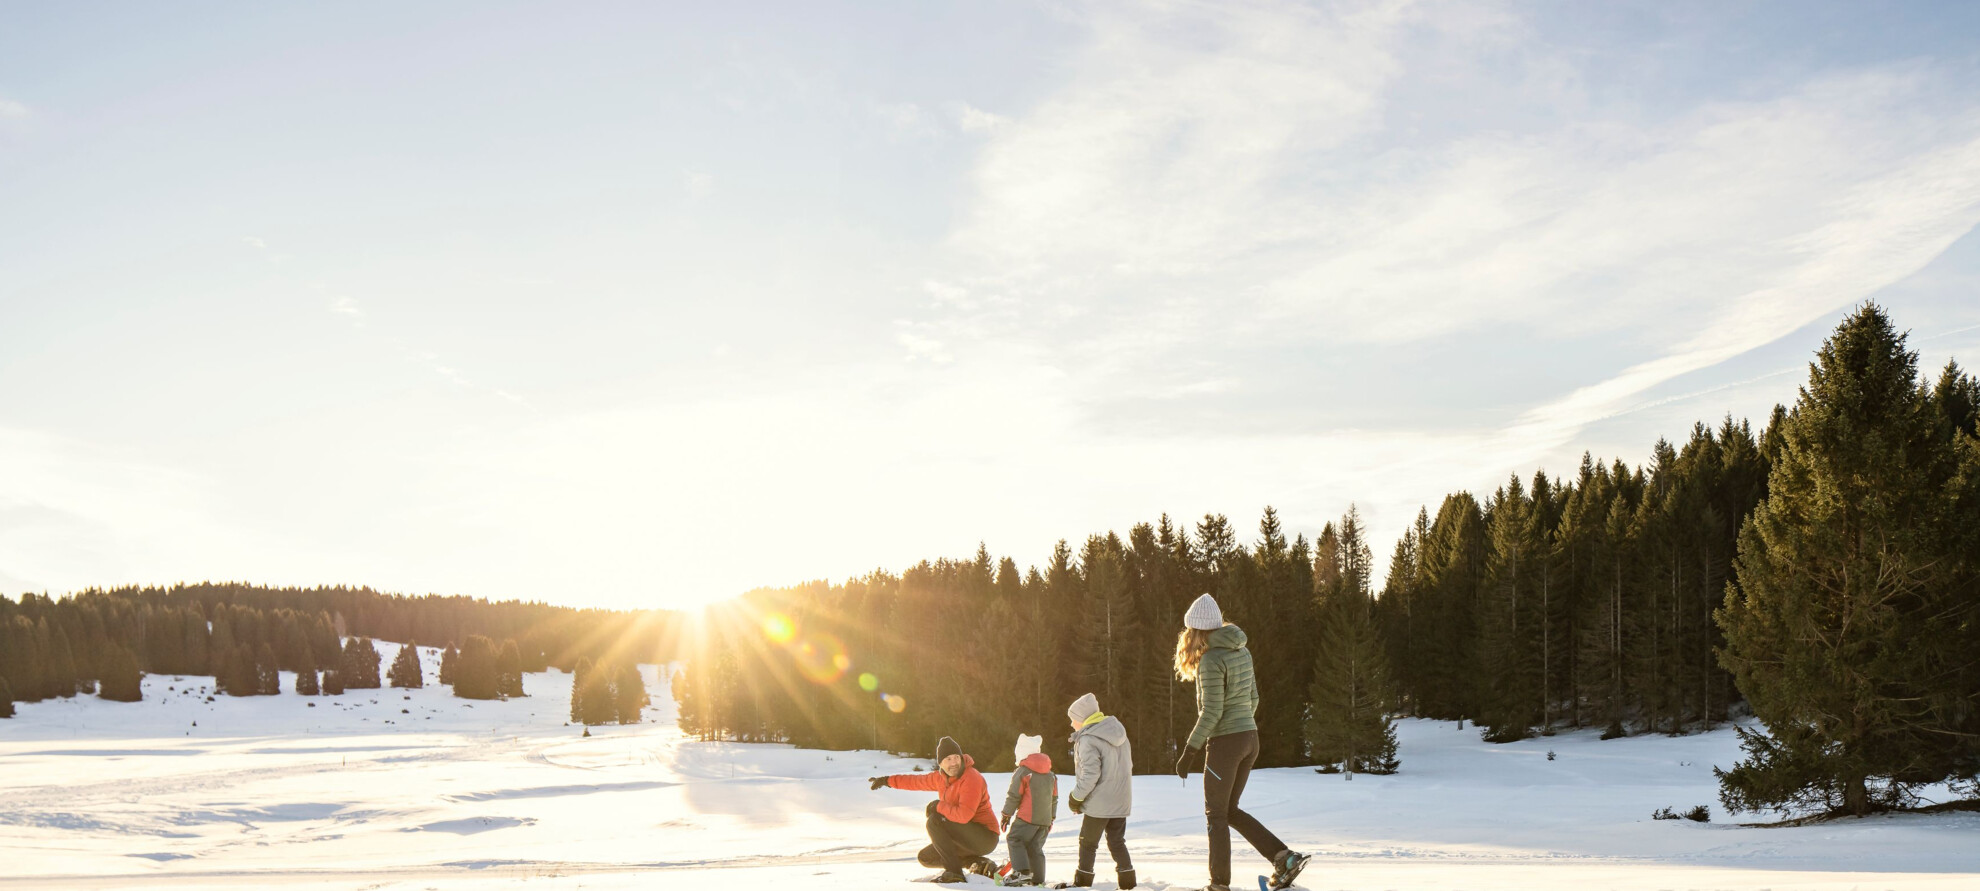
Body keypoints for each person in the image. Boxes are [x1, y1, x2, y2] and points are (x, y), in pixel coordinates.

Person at [1174, 593, 1311, 891]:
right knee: (1230, 810)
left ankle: (1218, 885)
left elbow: (1212, 712)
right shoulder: (1241, 652)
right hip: (1250, 739)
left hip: (1225, 744)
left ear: (1196, 631)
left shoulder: (1211, 659)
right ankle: (1283, 857)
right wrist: (1241, 727)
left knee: (1216, 815)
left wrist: (1189, 751)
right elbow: (1254, 698)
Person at [870, 735, 1001, 884]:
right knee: (926, 858)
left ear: (961, 758)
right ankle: (977, 863)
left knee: (935, 821)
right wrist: (887, 780)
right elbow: (915, 782)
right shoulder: (941, 778)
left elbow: (964, 815)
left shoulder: (971, 778)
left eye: (956, 758)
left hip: (984, 836)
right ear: (941, 763)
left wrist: (938, 806)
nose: (953, 763)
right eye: (948, 759)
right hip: (964, 836)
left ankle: (954, 873)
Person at [1066, 693, 1135, 889]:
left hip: (1100, 803)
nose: (1072, 724)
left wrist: (1075, 798)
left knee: (1087, 843)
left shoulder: (1089, 739)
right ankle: (1129, 884)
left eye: (1073, 720)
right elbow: (1128, 765)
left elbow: (1090, 775)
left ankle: (1082, 883)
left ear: (1083, 718)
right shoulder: (1119, 733)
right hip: (1120, 800)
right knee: (1116, 841)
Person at [999, 733, 1057, 887]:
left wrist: (1006, 815)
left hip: (1027, 818)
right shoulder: (1051, 775)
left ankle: (1022, 873)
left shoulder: (1023, 772)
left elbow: (1014, 795)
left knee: (1014, 839)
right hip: (1044, 821)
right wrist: (1051, 818)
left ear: (1021, 753)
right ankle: (1038, 879)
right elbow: (1054, 798)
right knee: (1034, 847)